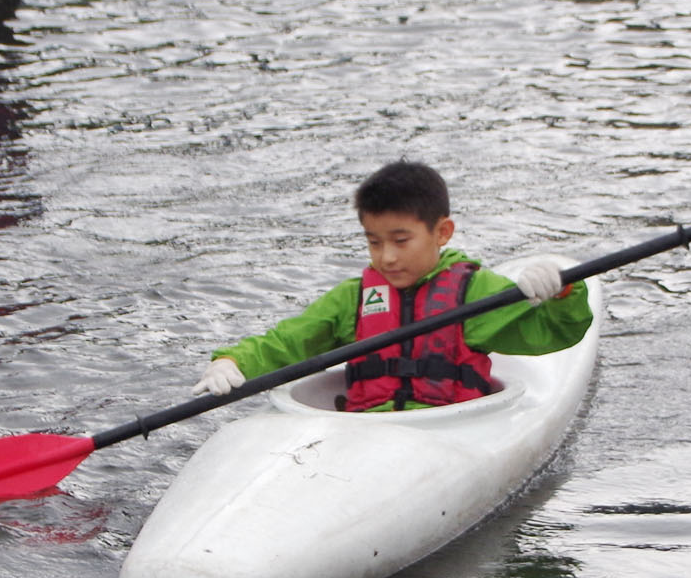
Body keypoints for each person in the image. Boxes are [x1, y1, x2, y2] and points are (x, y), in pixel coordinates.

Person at [196, 160, 594, 410]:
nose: (386, 257)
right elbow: (286, 343)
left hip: (448, 429)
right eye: (373, 241)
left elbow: (555, 333)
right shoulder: (353, 298)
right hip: (364, 434)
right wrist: (233, 361)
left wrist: (562, 295)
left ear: (442, 232)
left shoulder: (476, 292)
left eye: (401, 241)